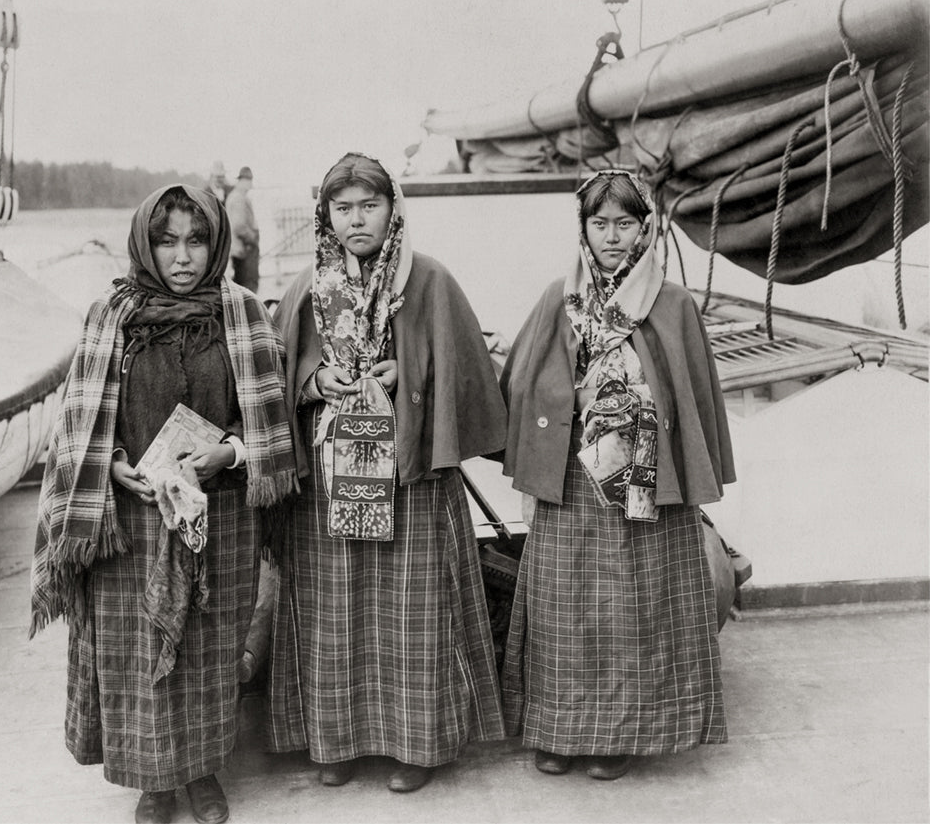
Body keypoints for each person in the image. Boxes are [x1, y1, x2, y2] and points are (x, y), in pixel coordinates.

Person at [29, 184, 298, 824]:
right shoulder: (109, 317)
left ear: (217, 245)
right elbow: (77, 424)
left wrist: (227, 455)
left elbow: (270, 423)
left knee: (208, 647)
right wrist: (113, 466)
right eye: (166, 241)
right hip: (131, 519)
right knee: (139, 653)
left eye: (197, 241)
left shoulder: (242, 314)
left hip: (219, 514)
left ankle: (203, 773)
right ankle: (153, 781)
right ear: (145, 246)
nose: (183, 257)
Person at [267, 152, 506, 793]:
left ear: (392, 209)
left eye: (368, 206)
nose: (356, 220)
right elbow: (275, 378)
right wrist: (318, 380)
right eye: (341, 208)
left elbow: (465, 369)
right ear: (326, 216)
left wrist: (409, 377)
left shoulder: (428, 280)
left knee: (415, 607)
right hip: (328, 479)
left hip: (412, 474)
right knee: (331, 610)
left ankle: (418, 745)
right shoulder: (306, 289)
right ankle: (334, 740)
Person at [499, 169, 736, 781]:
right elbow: (523, 382)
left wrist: (632, 401)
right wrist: (570, 398)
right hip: (571, 473)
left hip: (643, 476)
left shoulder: (673, 303)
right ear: (582, 228)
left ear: (645, 229)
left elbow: (692, 396)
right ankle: (558, 730)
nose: (611, 236)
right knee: (563, 603)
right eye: (599, 223)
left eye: (625, 224)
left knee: (631, 602)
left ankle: (619, 733)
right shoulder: (561, 297)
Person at [225, 166, 260, 293]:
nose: (250, 185)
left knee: (242, 290)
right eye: (249, 181)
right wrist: (254, 240)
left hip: (239, 253)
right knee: (249, 290)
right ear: (243, 181)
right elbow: (239, 227)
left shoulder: (233, 196)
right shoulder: (239, 198)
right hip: (245, 253)